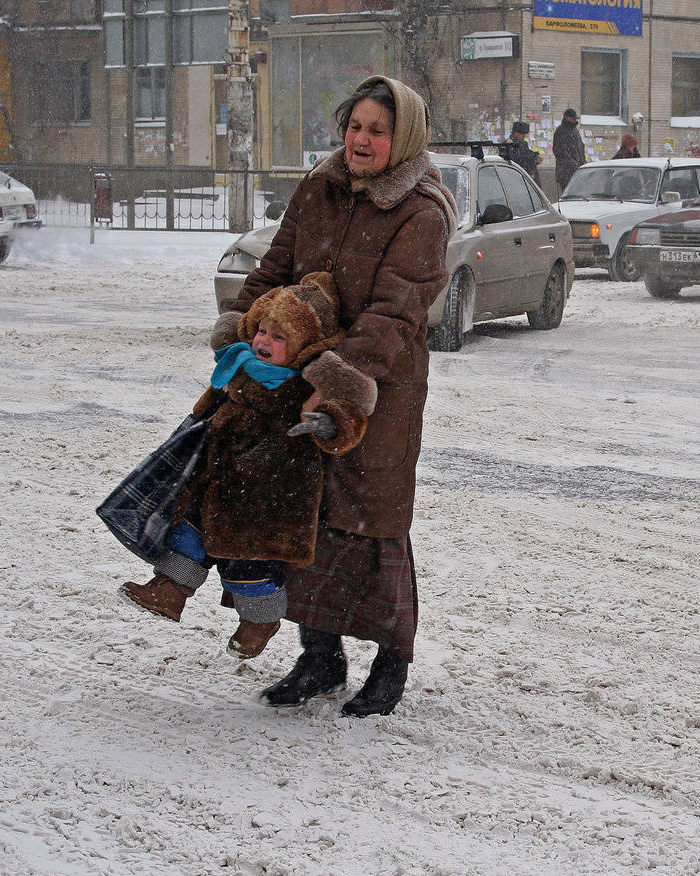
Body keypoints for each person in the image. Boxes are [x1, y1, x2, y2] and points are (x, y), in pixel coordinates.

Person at [231, 75, 457, 717]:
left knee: (374, 522)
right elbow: (275, 268)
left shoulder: (421, 211)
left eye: (377, 131)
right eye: (355, 126)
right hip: (297, 381)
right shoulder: (318, 188)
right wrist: (242, 331)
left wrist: (338, 380)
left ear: (402, 138)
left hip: (381, 388)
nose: (362, 139)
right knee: (309, 517)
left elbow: (394, 313)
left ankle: (391, 664)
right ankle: (320, 656)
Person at [119, 273, 366, 659]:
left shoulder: (306, 385)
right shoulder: (240, 365)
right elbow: (210, 403)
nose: (263, 342)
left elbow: (348, 418)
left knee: (250, 565)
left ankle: (259, 621)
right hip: (218, 475)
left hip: (272, 496)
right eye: (262, 331)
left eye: (278, 337)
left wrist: (329, 423)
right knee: (189, 534)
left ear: (303, 345)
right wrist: (191, 427)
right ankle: (170, 591)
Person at [553, 107, 587, 191]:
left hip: (577, 171)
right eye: (573, 118)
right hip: (566, 172)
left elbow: (580, 149)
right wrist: (572, 164)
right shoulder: (561, 131)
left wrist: (583, 164)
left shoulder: (575, 131)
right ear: (567, 118)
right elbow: (559, 151)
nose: (575, 120)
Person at [505, 120, 542, 185]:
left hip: (526, 176)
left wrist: (535, 159)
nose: (524, 136)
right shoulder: (510, 144)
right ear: (516, 133)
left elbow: (526, 154)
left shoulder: (522, 143)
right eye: (522, 134)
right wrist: (532, 157)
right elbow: (517, 158)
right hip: (517, 177)